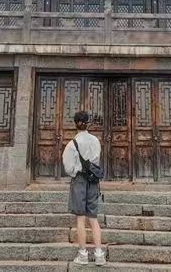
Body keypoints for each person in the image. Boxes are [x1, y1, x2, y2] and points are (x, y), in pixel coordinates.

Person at [62, 110, 106, 266]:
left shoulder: (72, 144)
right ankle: (99, 254)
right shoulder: (95, 141)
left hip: (79, 180)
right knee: (93, 218)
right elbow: (96, 160)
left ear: (75, 124)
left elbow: (68, 168)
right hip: (93, 181)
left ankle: (83, 254)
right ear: (88, 124)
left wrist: (76, 171)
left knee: (80, 218)